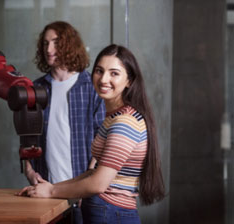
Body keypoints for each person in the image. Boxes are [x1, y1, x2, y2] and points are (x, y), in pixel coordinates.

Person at [18, 44, 166, 224]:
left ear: (129, 80)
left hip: (111, 212)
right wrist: (48, 187)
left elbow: (98, 183)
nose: (103, 79)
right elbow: (92, 172)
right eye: (99, 71)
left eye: (114, 73)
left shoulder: (124, 122)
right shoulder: (114, 116)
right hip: (106, 210)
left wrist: (51, 192)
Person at [24, 21, 106, 223]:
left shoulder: (91, 87)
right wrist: (29, 172)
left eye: (55, 42)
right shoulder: (36, 89)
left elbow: (102, 138)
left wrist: (84, 184)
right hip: (45, 193)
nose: (49, 49)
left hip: (84, 197)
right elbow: (26, 138)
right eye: (45, 44)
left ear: (69, 45)